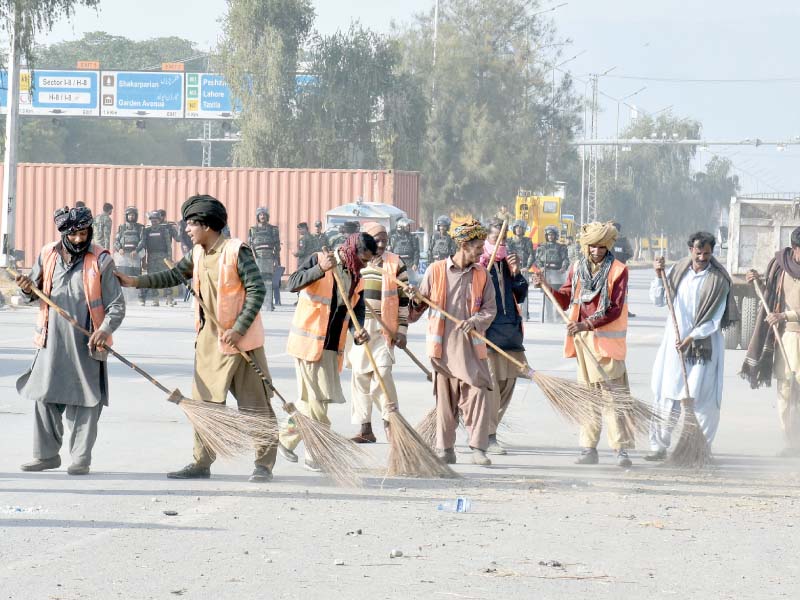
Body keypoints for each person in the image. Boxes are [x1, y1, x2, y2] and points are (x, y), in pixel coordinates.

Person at [117, 195, 278, 483]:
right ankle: (201, 462)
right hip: (209, 343)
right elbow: (173, 276)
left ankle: (263, 464)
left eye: (191, 224)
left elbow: (256, 290)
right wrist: (135, 281)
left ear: (207, 225)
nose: (187, 230)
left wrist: (239, 328)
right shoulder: (198, 254)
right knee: (203, 405)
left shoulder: (236, 251)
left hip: (242, 344)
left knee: (256, 406)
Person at [15, 206, 126, 475]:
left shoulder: (102, 260)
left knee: (86, 401)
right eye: (74, 234)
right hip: (51, 341)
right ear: (64, 233)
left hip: (88, 343)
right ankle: (46, 456)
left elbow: (116, 306)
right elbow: (34, 292)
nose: (79, 239)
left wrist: (105, 330)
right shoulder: (47, 254)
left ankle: (80, 458)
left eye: (84, 233)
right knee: (44, 397)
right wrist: (27, 288)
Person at [531, 221, 634, 467]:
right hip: (583, 342)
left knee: (612, 399)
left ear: (608, 246)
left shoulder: (618, 270)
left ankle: (621, 450)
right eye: (592, 247)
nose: (596, 251)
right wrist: (546, 285)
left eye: (600, 247)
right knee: (588, 399)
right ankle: (588, 449)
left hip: (607, 346)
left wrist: (586, 324)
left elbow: (614, 308)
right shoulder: (577, 267)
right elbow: (566, 299)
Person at [279, 233, 375, 471]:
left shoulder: (354, 275)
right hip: (309, 343)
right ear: (352, 251)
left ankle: (282, 438)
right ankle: (316, 454)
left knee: (311, 402)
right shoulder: (320, 259)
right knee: (317, 403)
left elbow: (357, 307)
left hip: (332, 345)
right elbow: (293, 283)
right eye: (363, 259)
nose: (364, 265)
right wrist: (320, 269)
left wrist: (358, 330)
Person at [408, 219, 497, 466]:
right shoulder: (435, 271)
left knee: (478, 394)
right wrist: (415, 300)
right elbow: (416, 312)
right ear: (464, 245)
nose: (482, 252)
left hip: (471, 349)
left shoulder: (482, 275)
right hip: (443, 350)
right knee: (445, 401)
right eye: (478, 247)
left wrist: (476, 320)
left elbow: (490, 309)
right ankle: (445, 449)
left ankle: (478, 449)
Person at [647, 232, 737, 461]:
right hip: (674, 345)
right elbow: (659, 300)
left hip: (703, 348)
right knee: (669, 393)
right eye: (699, 253)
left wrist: (692, 337)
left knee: (702, 398)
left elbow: (715, 319)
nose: (703, 257)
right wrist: (658, 276)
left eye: (707, 253)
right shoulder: (676, 272)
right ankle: (658, 446)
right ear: (691, 250)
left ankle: (700, 448)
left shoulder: (719, 280)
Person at [347, 222, 410, 443]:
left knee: (382, 375)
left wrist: (401, 330)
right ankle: (365, 429)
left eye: (385, 239)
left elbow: (404, 301)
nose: (382, 243)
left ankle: (391, 423)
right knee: (360, 378)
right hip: (360, 327)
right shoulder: (357, 261)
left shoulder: (395, 263)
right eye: (377, 239)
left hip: (385, 330)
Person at [743, 226, 800, 456]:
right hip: (786, 337)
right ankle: (790, 442)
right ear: (795, 249)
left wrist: (784, 316)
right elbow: (771, 295)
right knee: (785, 390)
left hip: (791, 325)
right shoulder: (780, 266)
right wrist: (756, 281)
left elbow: (784, 311)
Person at [481, 221, 528, 455]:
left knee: (507, 386)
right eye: (496, 237)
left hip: (511, 334)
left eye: (504, 237)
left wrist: (518, 273)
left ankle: (488, 430)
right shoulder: (479, 263)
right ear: (488, 238)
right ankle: (488, 436)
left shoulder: (508, 261)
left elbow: (520, 296)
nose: (501, 241)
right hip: (488, 335)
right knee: (490, 387)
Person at [141, 209, 180, 307]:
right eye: (152, 220)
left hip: (163, 257)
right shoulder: (147, 230)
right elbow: (144, 246)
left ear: (159, 220)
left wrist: (169, 258)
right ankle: (155, 299)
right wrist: (144, 261)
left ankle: (169, 298)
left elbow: (168, 245)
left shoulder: (165, 230)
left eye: (156, 220)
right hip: (151, 257)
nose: (154, 221)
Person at [534, 225, 570, 323]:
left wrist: (563, 267)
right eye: (549, 235)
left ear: (555, 235)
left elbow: (565, 259)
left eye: (552, 235)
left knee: (557, 295)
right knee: (547, 296)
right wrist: (540, 267)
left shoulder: (561, 247)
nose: (550, 237)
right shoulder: (542, 247)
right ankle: (548, 317)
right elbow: (537, 259)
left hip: (557, 273)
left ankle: (558, 316)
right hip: (546, 272)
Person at [248, 207, 281, 311]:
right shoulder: (252, 229)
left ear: (267, 216)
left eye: (264, 214)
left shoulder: (273, 229)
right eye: (260, 214)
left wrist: (276, 260)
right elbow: (250, 245)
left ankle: (268, 304)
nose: (262, 216)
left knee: (268, 281)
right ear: (257, 216)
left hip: (269, 258)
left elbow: (277, 246)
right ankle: (257, 304)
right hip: (257, 258)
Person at [114, 206, 145, 302]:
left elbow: (142, 241)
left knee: (136, 275)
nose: (131, 217)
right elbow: (116, 241)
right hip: (123, 256)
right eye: (130, 215)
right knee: (122, 274)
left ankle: (140, 298)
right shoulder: (121, 227)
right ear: (126, 216)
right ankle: (120, 297)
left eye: (133, 215)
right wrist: (119, 249)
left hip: (134, 256)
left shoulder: (140, 228)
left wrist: (136, 250)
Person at [506, 220, 535, 320]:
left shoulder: (527, 241)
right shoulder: (509, 241)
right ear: (514, 229)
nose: (518, 229)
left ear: (523, 230)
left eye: (521, 227)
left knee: (523, 292)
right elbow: (506, 254)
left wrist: (527, 267)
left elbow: (531, 254)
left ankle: (524, 314)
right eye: (517, 227)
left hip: (523, 269)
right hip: (510, 269)